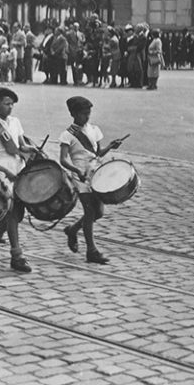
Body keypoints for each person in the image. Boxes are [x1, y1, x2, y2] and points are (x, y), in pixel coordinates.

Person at [0, 87, 38, 273]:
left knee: (18, 213)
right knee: (12, 212)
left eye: (12, 104)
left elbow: (21, 144)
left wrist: (31, 149)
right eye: (6, 104)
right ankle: (16, 255)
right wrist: (4, 170)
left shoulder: (15, 122)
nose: (10, 107)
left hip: (18, 168)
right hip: (2, 171)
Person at [60, 97, 123, 264]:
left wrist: (110, 146)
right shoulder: (67, 135)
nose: (87, 117)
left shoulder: (94, 130)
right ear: (73, 114)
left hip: (96, 174)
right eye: (83, 114)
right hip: (80, 177)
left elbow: (98, 153)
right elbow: (63, 159)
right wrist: (76, 170)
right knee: (89, 212)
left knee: (99, 212)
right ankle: (91, 251)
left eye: (88, 113)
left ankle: (73, 230)